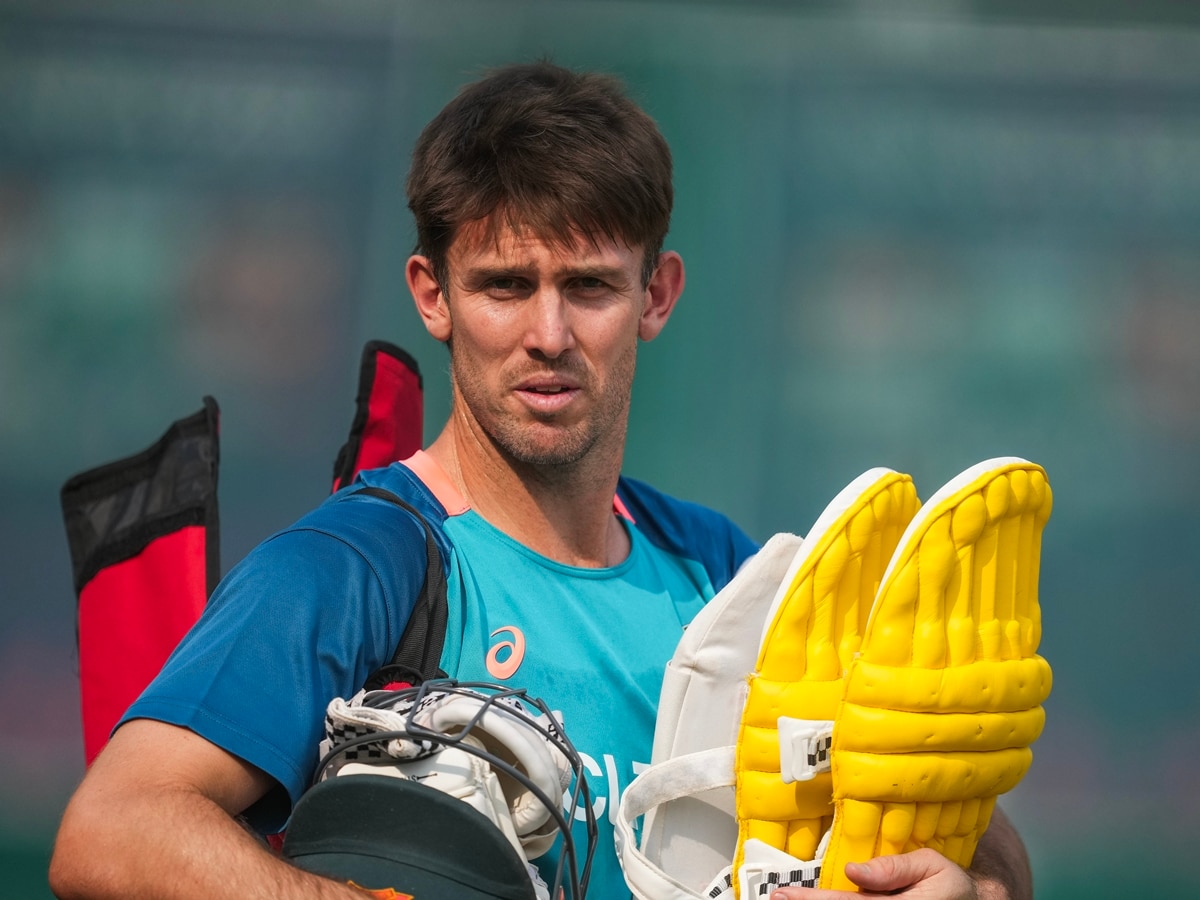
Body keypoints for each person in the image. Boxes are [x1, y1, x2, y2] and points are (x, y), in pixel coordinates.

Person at [49, 62, 1034, 900]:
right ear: (433, 296)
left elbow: (958, 841)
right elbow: (111, 828)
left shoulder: (730, 578)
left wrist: (975, 884)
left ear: (657, 295)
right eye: (505, 285)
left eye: (591, 286)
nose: (549, 335)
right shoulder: (358, 567)